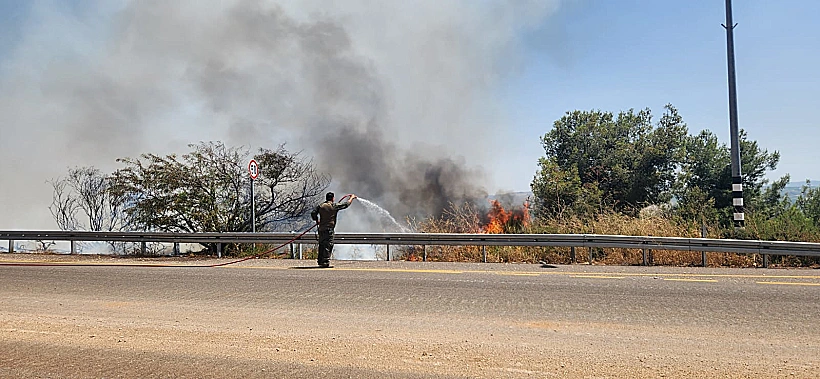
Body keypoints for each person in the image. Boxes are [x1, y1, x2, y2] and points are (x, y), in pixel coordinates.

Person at [310, 192, 357, 267]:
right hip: (329, 230)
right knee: (328, 245)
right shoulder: (334, 206)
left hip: (321, 230)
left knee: (321, 245)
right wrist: (352, 197)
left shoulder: (321, 206)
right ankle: (325, 262)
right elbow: (346, 204)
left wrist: (316, 219)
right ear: (332, 198)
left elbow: (313, 213)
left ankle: (320, 261)